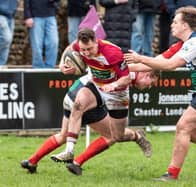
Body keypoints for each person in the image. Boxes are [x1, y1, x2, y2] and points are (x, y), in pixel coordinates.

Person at [124, 6, 196, 181]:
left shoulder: (195, 43)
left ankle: (171, 174)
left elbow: (170, 65)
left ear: (185, 26)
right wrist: (118, 69)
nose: (172, 25)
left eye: (175, 22)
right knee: (194, 133)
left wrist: (140, 58)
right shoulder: (182, 44)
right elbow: (156, 63)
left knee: (183, 127)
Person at [47, 28, 156, 169]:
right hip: (97, 86)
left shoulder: (112, 53)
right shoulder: (79, 46)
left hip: (117, 92)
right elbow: (69, 48)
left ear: (96, 42)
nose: (85, 53)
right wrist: (62, 64)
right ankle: (69, 151)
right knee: (78, 105)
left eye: (89, 49)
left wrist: (114, 85)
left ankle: (137, 137)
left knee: (117, 136)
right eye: (83, 49)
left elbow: (126, 77)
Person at [20, 70, 158, 174]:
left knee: (63, 136)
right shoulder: (127, 73)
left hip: (72, 93)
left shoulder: (121, 69)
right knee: (113, 135)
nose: (149, 87)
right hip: (86, 99)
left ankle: (32, 161)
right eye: (151, 83)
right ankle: (136, 136)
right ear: (147, 74)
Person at [23, 0, 59, 68]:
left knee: (54, 42)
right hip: (35, 16)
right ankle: (37, 68)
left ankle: (50, 68)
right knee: (37, 45)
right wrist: (27, 16)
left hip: (51, 14)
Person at [0, 0, 19, 69]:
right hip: (1, 15)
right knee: (6, 38)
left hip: (11, 16)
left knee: (8, 42)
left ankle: (1, 65)